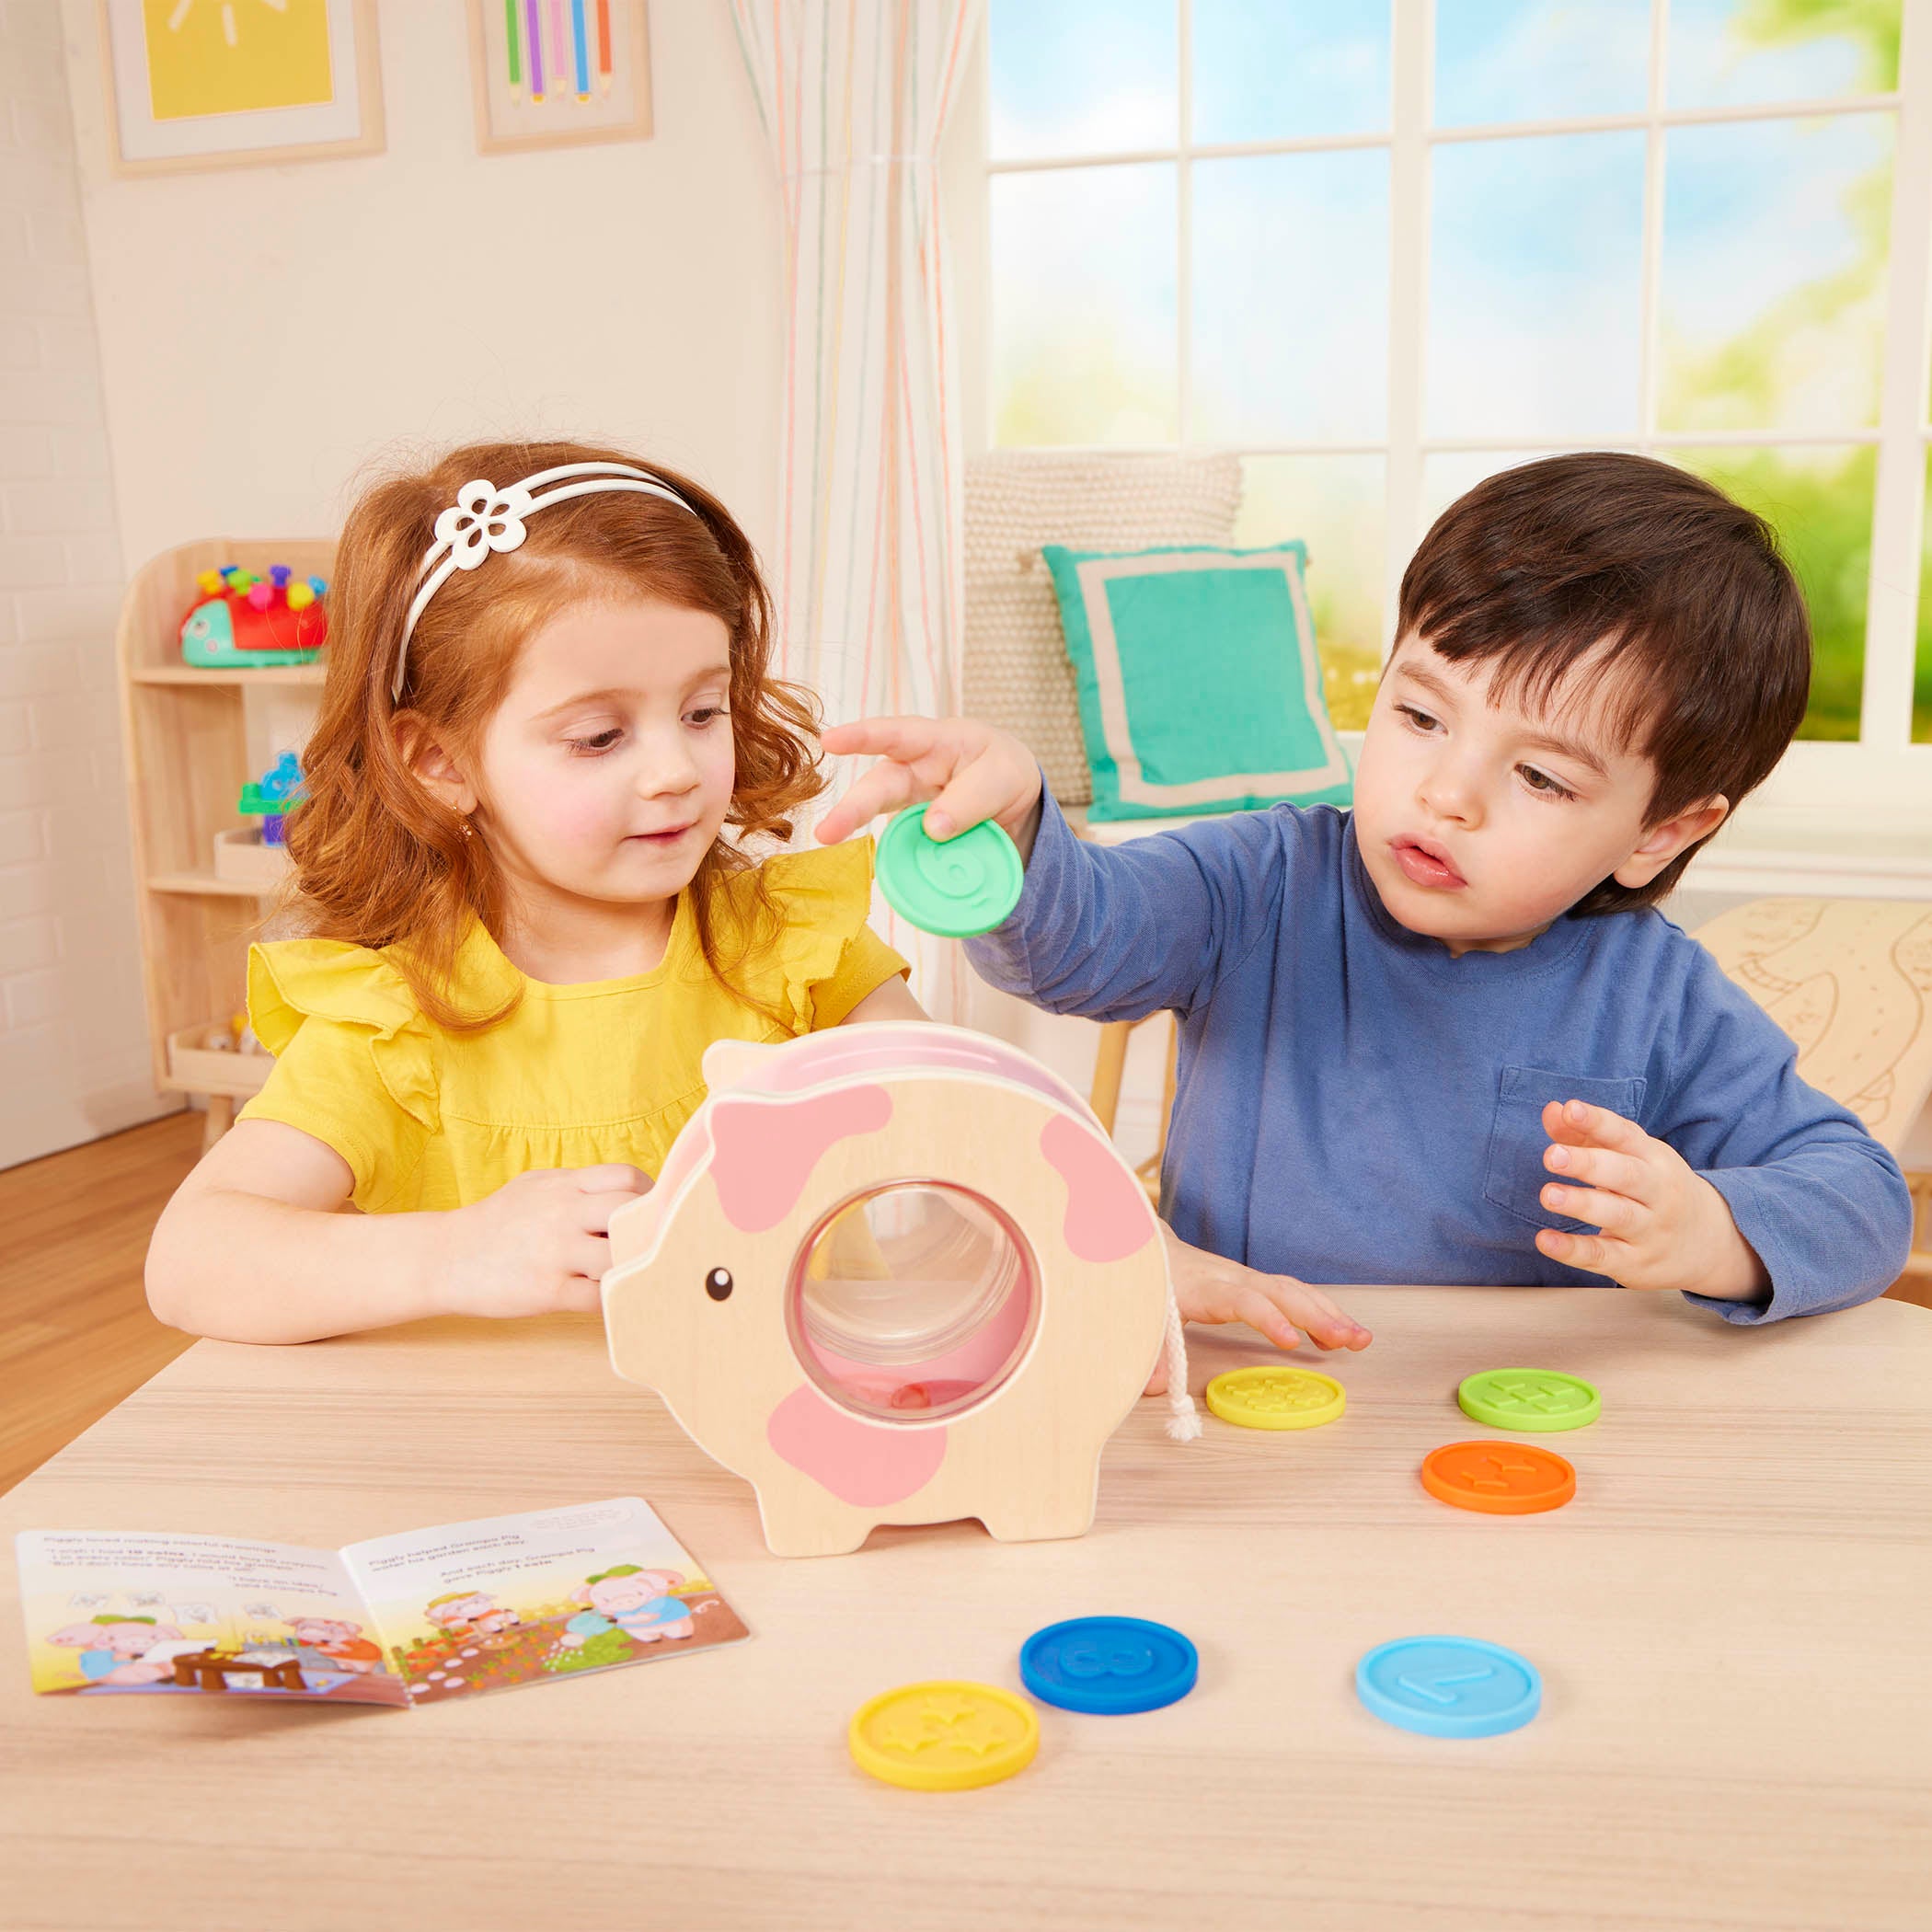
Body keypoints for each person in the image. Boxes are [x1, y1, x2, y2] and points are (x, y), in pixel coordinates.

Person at [816, 454, 1913, 1351]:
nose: (1446, 794)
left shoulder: (1661, 995)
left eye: (1539, 777)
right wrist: (1016, 837)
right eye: (1422, 717)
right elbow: (1082, 945)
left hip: (1498, 1433)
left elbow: (1865, 1200)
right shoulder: (1259, 882)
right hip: (1230, 1375)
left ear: (1662, 832)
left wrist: (1715, 1233)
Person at [147, 442, 920, 1344]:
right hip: (516, 1468)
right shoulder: (398, 1022)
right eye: (599, 736)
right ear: (440, 761)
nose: (675, 770)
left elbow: (976, 1126)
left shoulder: (795, 947)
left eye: (702, 711)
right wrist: (453, 1253)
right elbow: (190, 1258)